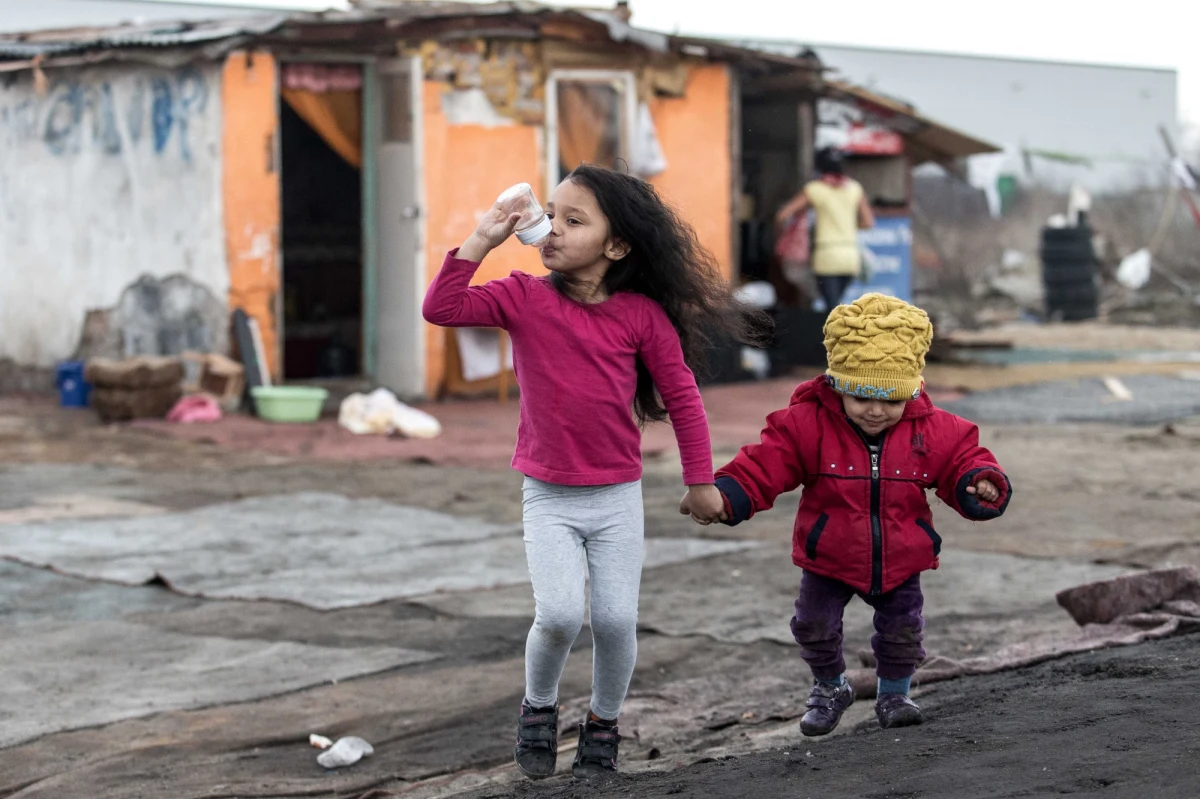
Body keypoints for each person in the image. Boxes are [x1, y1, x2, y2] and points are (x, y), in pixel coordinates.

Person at [422, 165, 759, 779]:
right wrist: (484, 237)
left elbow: (682, 396)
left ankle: (604, 723)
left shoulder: (640, 316)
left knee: (613, 620)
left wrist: (701, 479)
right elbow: (441, 307)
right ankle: (539, 708)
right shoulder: (523, 297)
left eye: (573, 220)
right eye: (551, 214)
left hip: (615, 499)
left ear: (617, 245)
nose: (551, 230)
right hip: (547, 497)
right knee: (557, 616)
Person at [681, 293, 1012, 736]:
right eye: (861, 396)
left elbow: (961, 460)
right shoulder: (806, 424)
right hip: (829, 556)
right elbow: (765, 463)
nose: (876, 410)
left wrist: (979, 482)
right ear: (837, 384)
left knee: (902, 632)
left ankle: (895, 692)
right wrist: (726, 495)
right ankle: (830, 685)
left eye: (891, 400)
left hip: (900, 558)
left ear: (913, 390)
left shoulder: (932, 430)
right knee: (812, 626)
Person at [775, 147, 876, 311]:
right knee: (836, 305)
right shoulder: (854, 188)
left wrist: (790, 233)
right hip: (850, 258)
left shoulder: (815, 189)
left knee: (832, 308)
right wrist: (849, 226)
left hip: (826, 257)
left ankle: (834, 335)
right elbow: (868, 222)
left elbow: (782, 215)